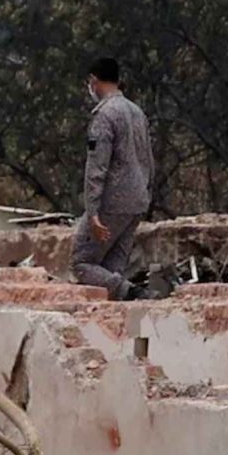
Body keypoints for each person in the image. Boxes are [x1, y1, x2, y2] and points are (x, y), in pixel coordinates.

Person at [72, 57, 155, 300]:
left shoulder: (105, 115)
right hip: (138, 199)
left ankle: (132, 292)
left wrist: (93, 212)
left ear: (94, 81)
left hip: (113, 201)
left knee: (81, 262)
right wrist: (146, 194)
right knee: (112, 266)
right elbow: (149, 159)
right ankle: (119, 309)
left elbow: (97, 167)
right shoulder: (137, 112)